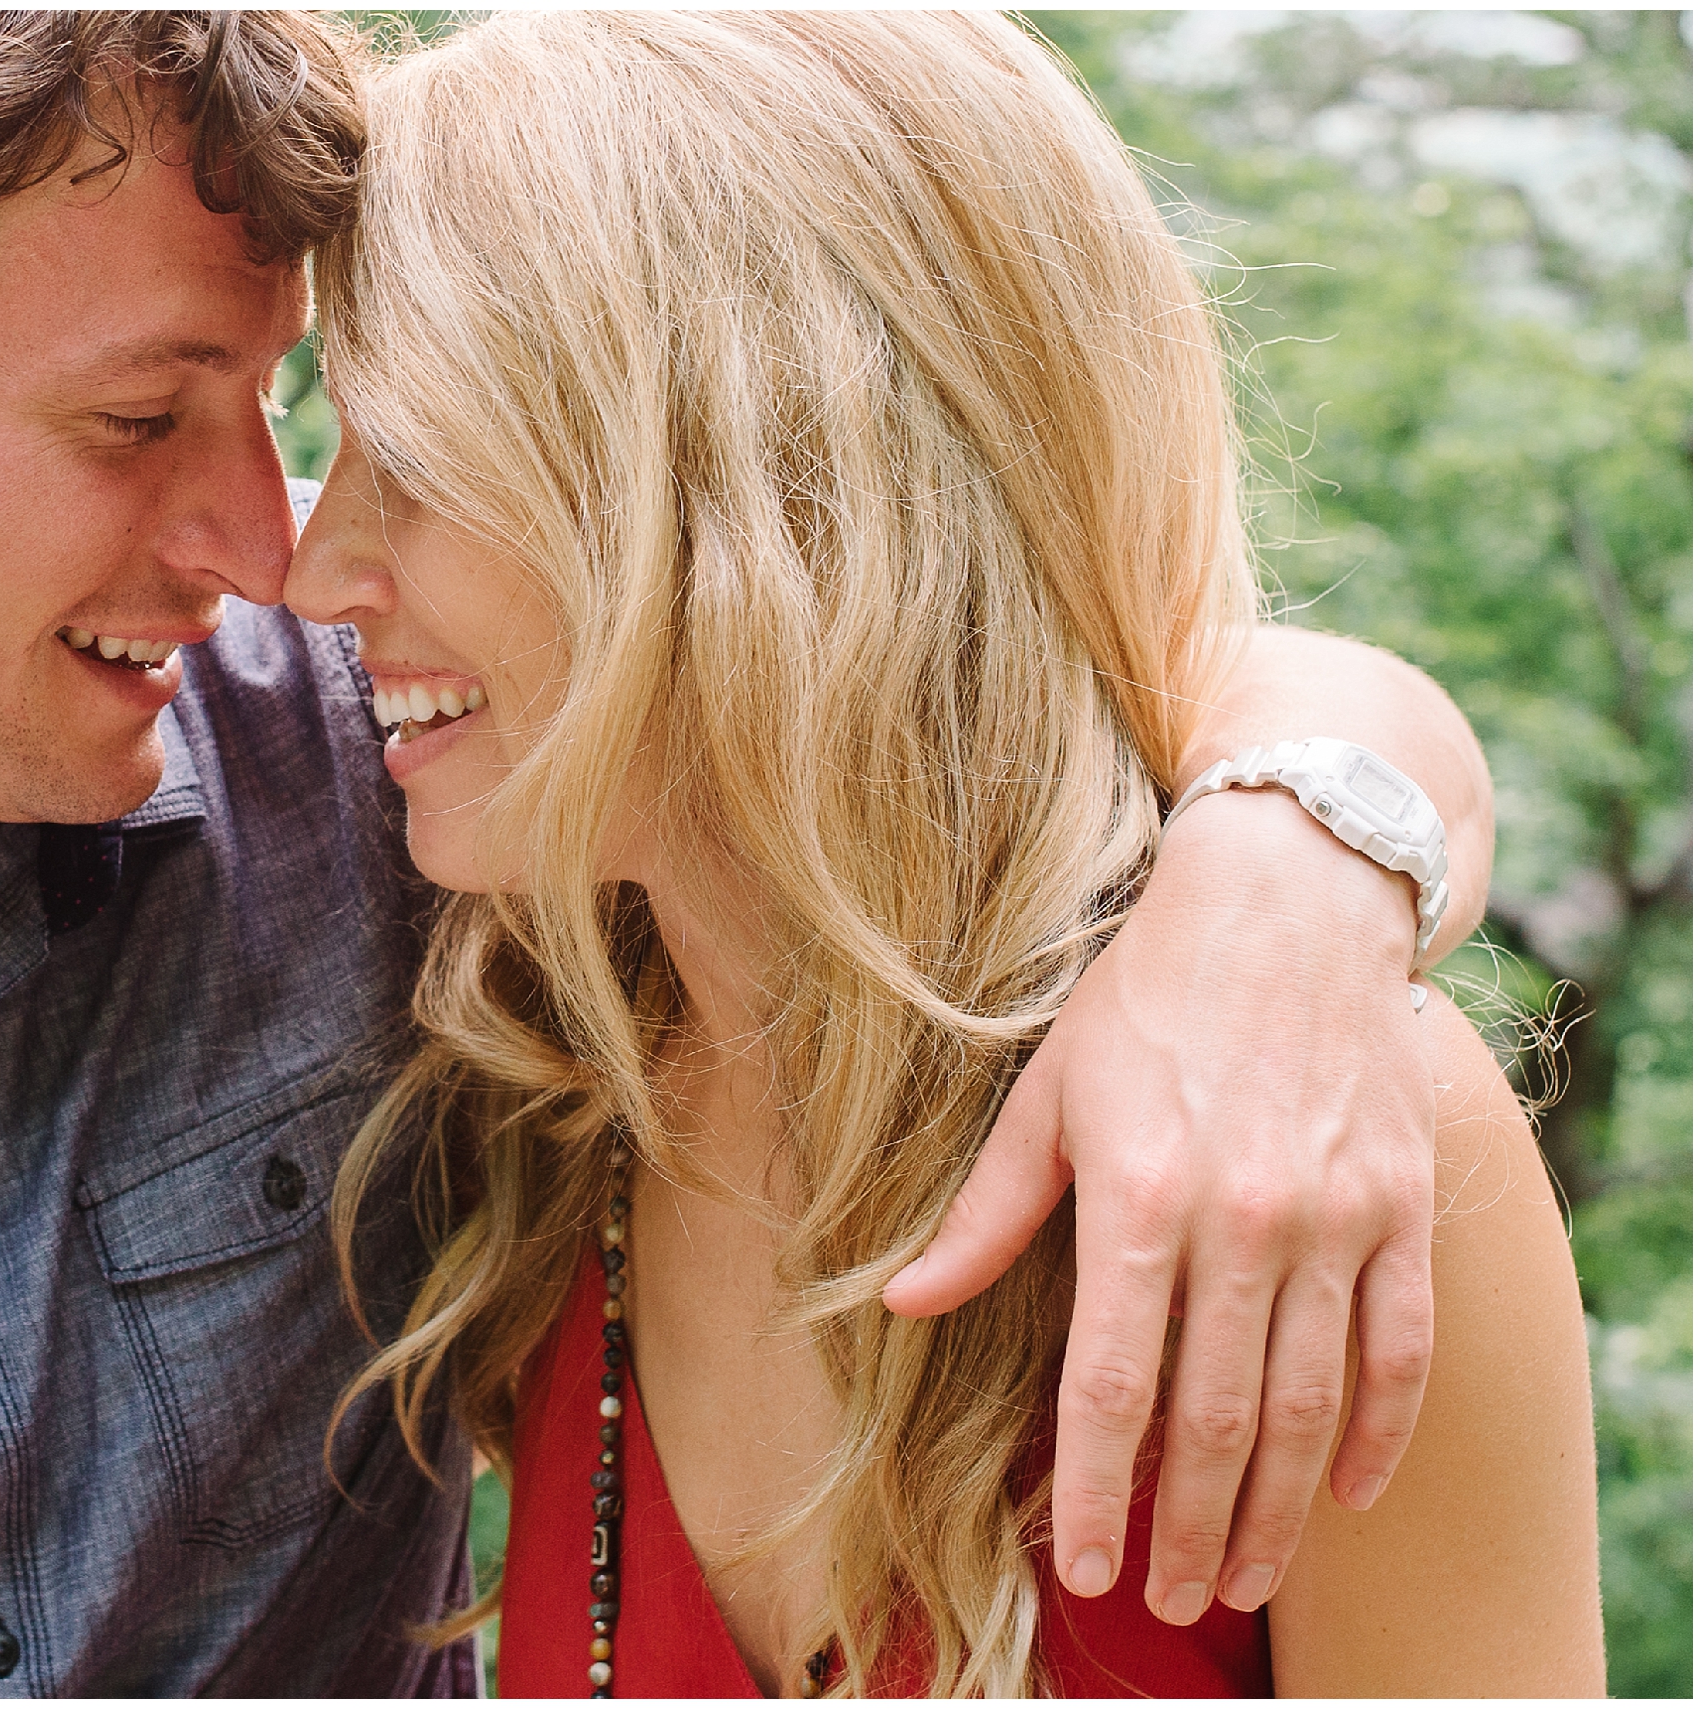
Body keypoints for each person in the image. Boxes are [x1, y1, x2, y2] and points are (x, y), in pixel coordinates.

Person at [0, 10, 1502, 1696]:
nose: (266, 549)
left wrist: (1297, 877)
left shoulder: (412, 784)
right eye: (136, 419)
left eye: (281, 407)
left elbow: (963, 672)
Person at [289, 11, 1600, 1698]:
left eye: (413, 458)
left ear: (745, 479)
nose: (315, 576)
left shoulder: (1295, 1137)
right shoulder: (536, 1043)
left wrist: (1312, 847)